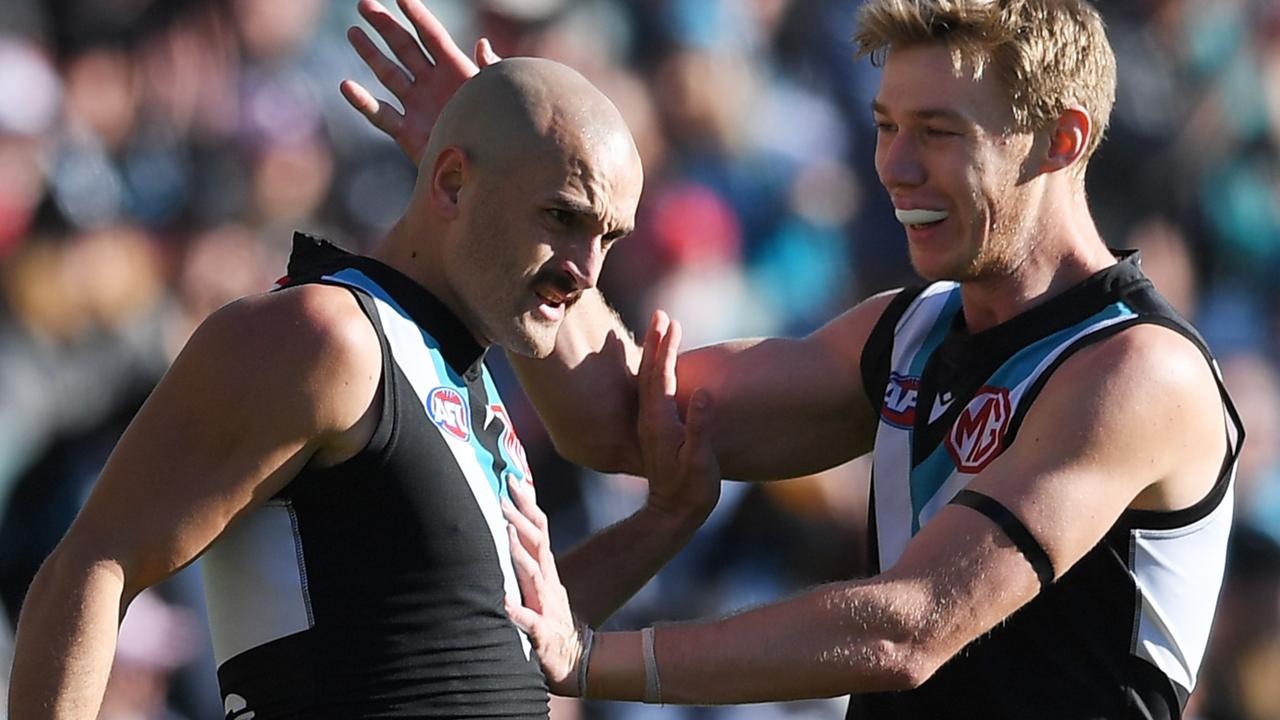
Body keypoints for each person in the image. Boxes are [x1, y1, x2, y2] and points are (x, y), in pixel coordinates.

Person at [342, 0, 1245, 717]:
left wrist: (593, 660)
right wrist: (505, 200)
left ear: (1063, 138)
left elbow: (915, 628)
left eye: (938, 131)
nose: (895, 165)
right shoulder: (913, 330)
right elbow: (629, 422)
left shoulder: (1136, 370)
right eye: (886, 124)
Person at [7, 56, 721, 719]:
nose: (586, 271)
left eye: (609, 237)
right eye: (563, 217)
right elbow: (91, 567)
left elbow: (492, 643)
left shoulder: (464, 377)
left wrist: (664, 520)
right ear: (449, 182)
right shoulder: (328, 335)